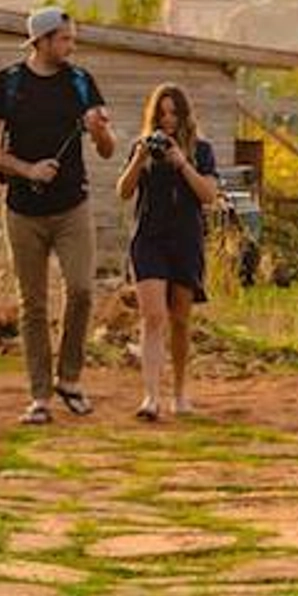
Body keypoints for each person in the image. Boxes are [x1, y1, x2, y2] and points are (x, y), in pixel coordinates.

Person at [0, 6, 116, 425]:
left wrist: (99, 129)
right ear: (42, 41)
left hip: (73, 206)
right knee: (32, 305)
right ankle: (39, 397)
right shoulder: (8, 83)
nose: (72, 46)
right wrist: (26, 169)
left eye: (73, 39)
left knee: (82, 291)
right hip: (22, 210)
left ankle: (69, 379)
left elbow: (106, 149)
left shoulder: (81, 82)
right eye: (65, 39)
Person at [116, 83, 218, 421]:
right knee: (153, 316)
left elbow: (208, 195)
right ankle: (150, 397)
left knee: (180, 320)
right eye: (161, 113)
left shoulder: (201, 150)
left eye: (174, 112)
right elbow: (123, 191)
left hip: (186, 240)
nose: (168, 119)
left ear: (184, 115)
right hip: (149, 239)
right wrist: (140, 158)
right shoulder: (142, 148)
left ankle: (180, 393)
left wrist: (182, 162)